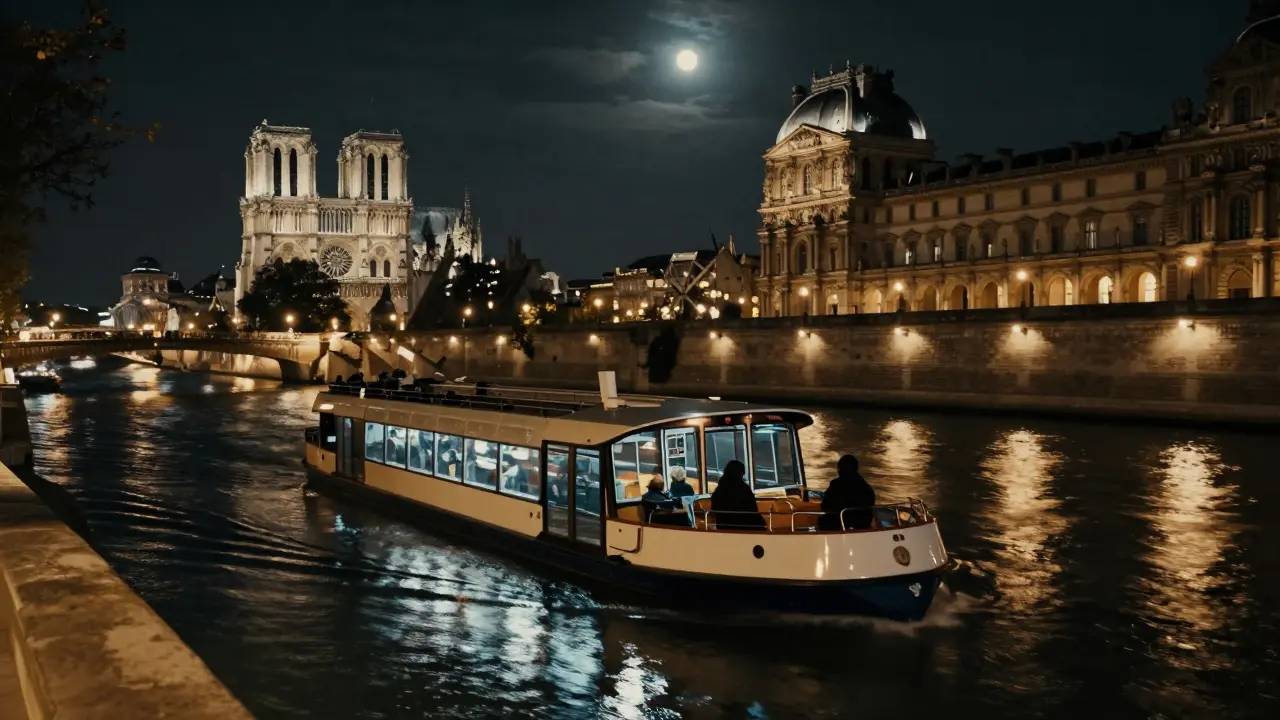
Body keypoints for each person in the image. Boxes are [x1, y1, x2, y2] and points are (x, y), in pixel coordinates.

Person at [820, 454, 876, 530]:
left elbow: (825, 505)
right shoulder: (865, 486)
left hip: (841, 523)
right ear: (856, 468)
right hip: (863, 524)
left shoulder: (836, 484)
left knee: (823, 520)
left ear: (840, 469)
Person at [710, 460, 765, 530]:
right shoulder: (744, 489)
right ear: (741, 474)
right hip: (748, 525)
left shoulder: (720, 489)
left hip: (724, 525)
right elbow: (753, 509)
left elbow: (714, 510)